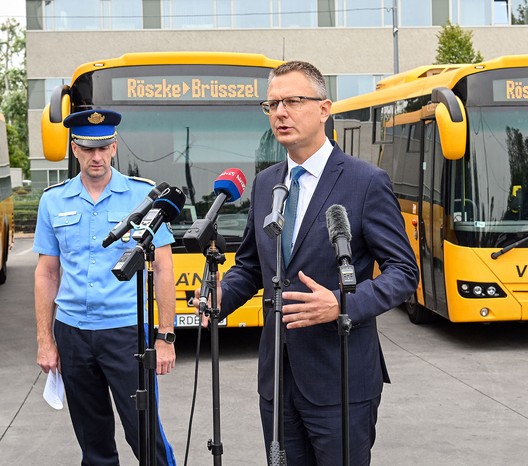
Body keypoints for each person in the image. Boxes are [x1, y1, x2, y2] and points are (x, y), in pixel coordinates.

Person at [217, 61, 419, 465]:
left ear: (324, 109)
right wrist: (216, 298)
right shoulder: (265, 183)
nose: (280, 113)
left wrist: (343, 304)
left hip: (341, 377)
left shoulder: (365, 181)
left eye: (292, 101)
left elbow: (403, 272)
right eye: (271, 104)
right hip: (278, 378)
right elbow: (252, 266)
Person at [34, 109, 177, 465]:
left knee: (144, 433)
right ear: (75, 149)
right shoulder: (53, 200)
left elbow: (162, 267)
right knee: (92, 438)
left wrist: (165, 336)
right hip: (73, 334)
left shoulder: (144, 198)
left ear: (114, 148)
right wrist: (45, 340)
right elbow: (47, 274)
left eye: (103, 148)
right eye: (87, 148)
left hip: (125, 332)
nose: (96, 157)